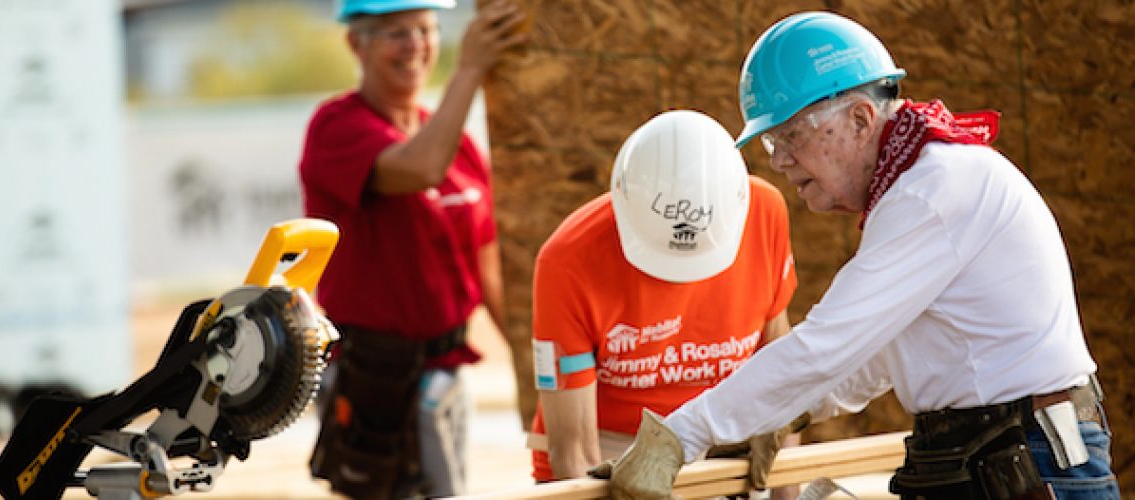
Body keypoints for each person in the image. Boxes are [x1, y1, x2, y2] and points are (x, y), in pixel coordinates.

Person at [596, 11, 1120, 500]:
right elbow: (875, 358)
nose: (778, 161)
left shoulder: (929, 191)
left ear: (861, 119)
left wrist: (679, 438)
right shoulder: (923, 179)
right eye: (769, 144)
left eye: (789, 137)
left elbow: (826, 346)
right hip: (1006, 454)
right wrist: (778, 414)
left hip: (1026, 462)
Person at [297, 0, 526, 497]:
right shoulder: (337, 127)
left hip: (446, 374)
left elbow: (489, 276)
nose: (417, 46)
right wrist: (470, 70)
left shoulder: (456, 145)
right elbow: (420, 168)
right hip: (377, 375)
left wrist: (534, 372)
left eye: (426, 29)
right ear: (355, 44)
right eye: (396, 33)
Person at [530, 109, 803, 498]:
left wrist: (785, 489)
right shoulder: (568, 261)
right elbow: (573, 452)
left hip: (724, 446)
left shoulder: (763, 213)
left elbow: (778, 364)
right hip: (612, 451)